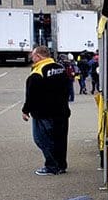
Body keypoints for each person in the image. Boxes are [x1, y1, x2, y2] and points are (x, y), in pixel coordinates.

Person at [21, 46, 72, 176]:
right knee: (60, 139)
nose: (32, 58)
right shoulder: (60, 68)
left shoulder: (37, 72)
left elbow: (31, 95)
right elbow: (68, 88)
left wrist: (25, 110)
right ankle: (61, 165)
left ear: (38, 56)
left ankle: (51, 166)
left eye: (33, 55)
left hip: (44, 113)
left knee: (41, 139)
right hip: (62, 112)